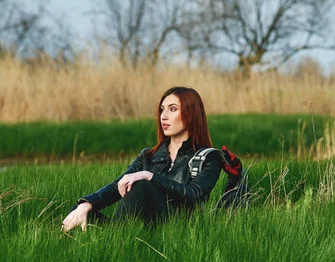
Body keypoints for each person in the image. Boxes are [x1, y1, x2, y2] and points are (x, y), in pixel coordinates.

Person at [62, 86, 225, 232]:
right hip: (141, 230)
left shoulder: (209, 157)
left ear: (191, 114)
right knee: (78, 212)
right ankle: (113, 240)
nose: (164, 116)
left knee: (142, 185)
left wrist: (150, 176)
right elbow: (116, 187)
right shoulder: (148, 156)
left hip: (176, 229)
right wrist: (86, 204)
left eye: (173, 109)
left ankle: (116, 241)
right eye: (162, 109)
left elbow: (193, 194)